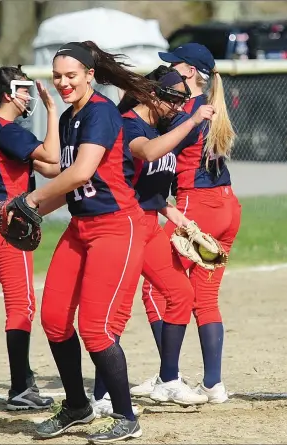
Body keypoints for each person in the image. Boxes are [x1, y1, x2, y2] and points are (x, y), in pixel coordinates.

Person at [26, 41, 157, 443]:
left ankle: (125, 416)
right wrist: (28, 212)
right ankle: (77, 406)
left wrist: (29, 199)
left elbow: (82, 173)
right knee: (52, 320)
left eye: (71, 75)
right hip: (81, 228)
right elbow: (72, 188)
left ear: (89, 75)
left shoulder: (100, 112)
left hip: (117, 227)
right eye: (58, 76)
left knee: (96, 329)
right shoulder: (70, 117)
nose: (64, 82)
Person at [90, 66, 215, 413]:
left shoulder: (156, 126)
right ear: (151, 96)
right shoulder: (129, 124)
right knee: (117, 312)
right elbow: (146, 153)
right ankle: (100, 398)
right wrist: (191, 122)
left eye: (182, 101)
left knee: (181, 294)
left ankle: (168, 380)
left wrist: (178, 217)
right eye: (173, 99)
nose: (178, 107)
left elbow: (148, 189)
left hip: (148, 225)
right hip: (123, 227)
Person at [131, 43, 242, 404]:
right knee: (204, 297)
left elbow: (157, 152)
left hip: (196, 205)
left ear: (190, 72)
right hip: (228, 205)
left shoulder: (185, 111)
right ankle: (213, 385)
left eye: (175, 66)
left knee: (153, 287)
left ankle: (170, 375)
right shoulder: (212, 106)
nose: (169, 71)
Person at [0, 65, 60, 411]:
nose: (28, 96)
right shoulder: (6, 127)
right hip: (2, 225)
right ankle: (20, 388)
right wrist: (53, 112)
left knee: (17, 300)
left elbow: (50, 168)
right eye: (22, 90)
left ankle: (25, 378)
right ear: (8, 94)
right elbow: (50, 156)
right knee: (21, 306)